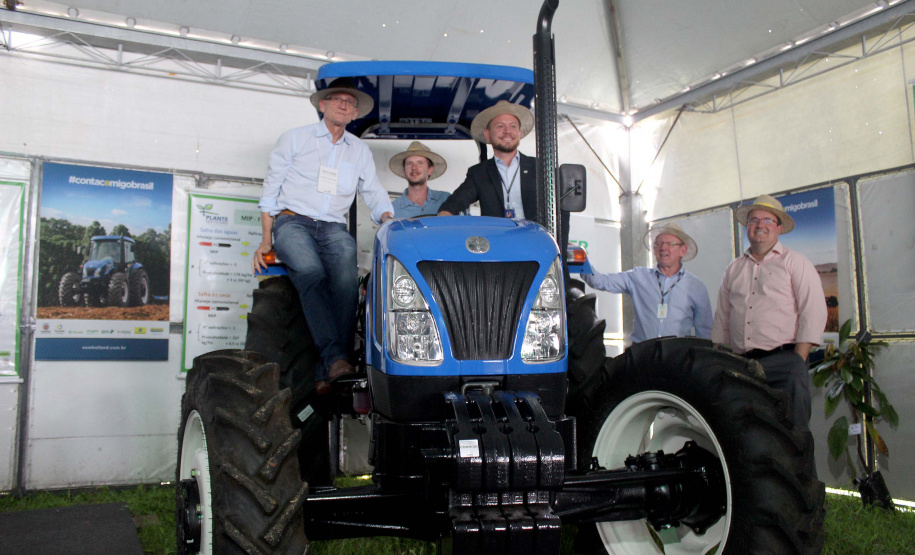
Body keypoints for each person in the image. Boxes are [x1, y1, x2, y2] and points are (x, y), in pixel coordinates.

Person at [253, 77, 394, 395]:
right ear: (322, 105)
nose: (344, 105)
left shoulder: (359, 150)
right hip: (292, 223)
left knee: (347, 283)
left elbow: (372, 189)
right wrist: (265, 240)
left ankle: (325, 370)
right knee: (311, 272)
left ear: (355, 112)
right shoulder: (295, 138)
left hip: (333, 228)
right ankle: (334, 361)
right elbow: (270, 190)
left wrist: (386, 216)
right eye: (338, 100)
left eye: (350, 103)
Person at [712, 194, 827, 431]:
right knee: (743, 435)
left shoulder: (796, 262)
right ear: (747, 227)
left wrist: (798, 359)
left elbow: (813, 309)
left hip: (784, 363)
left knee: (793, 434)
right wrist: (719, 356)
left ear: (779, 228)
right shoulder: (733, 269)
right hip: (741, 366)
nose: (760, 225)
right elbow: (723, 317)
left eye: (767, 220)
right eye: (754, 220)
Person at [582, 222, 713, 343]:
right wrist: (580, 259)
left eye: (670, 244)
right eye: (658, 243)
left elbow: (704, 331)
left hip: (677, 358)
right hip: (642, 356)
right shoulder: (638, 277)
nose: (663, 248)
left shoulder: (696, 287)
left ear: (682, 250)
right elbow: (599, 281)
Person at [437, 100, 538, 220]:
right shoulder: (479, 173)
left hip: (535, 237)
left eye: (513, 126)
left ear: (519, 133)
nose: (507, 131)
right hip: (497, 238)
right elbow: (454, 204)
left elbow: (559, 207)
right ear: (488, 134)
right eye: (500, 126)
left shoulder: (539, 167)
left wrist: (559, 239)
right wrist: (444, 216)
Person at [389, 141, 451, 218]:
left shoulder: (446, 199)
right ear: (404, 171)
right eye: (409, 163)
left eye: (420, 163)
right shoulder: (393, 209)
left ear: (430, 170)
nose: (414, 167)